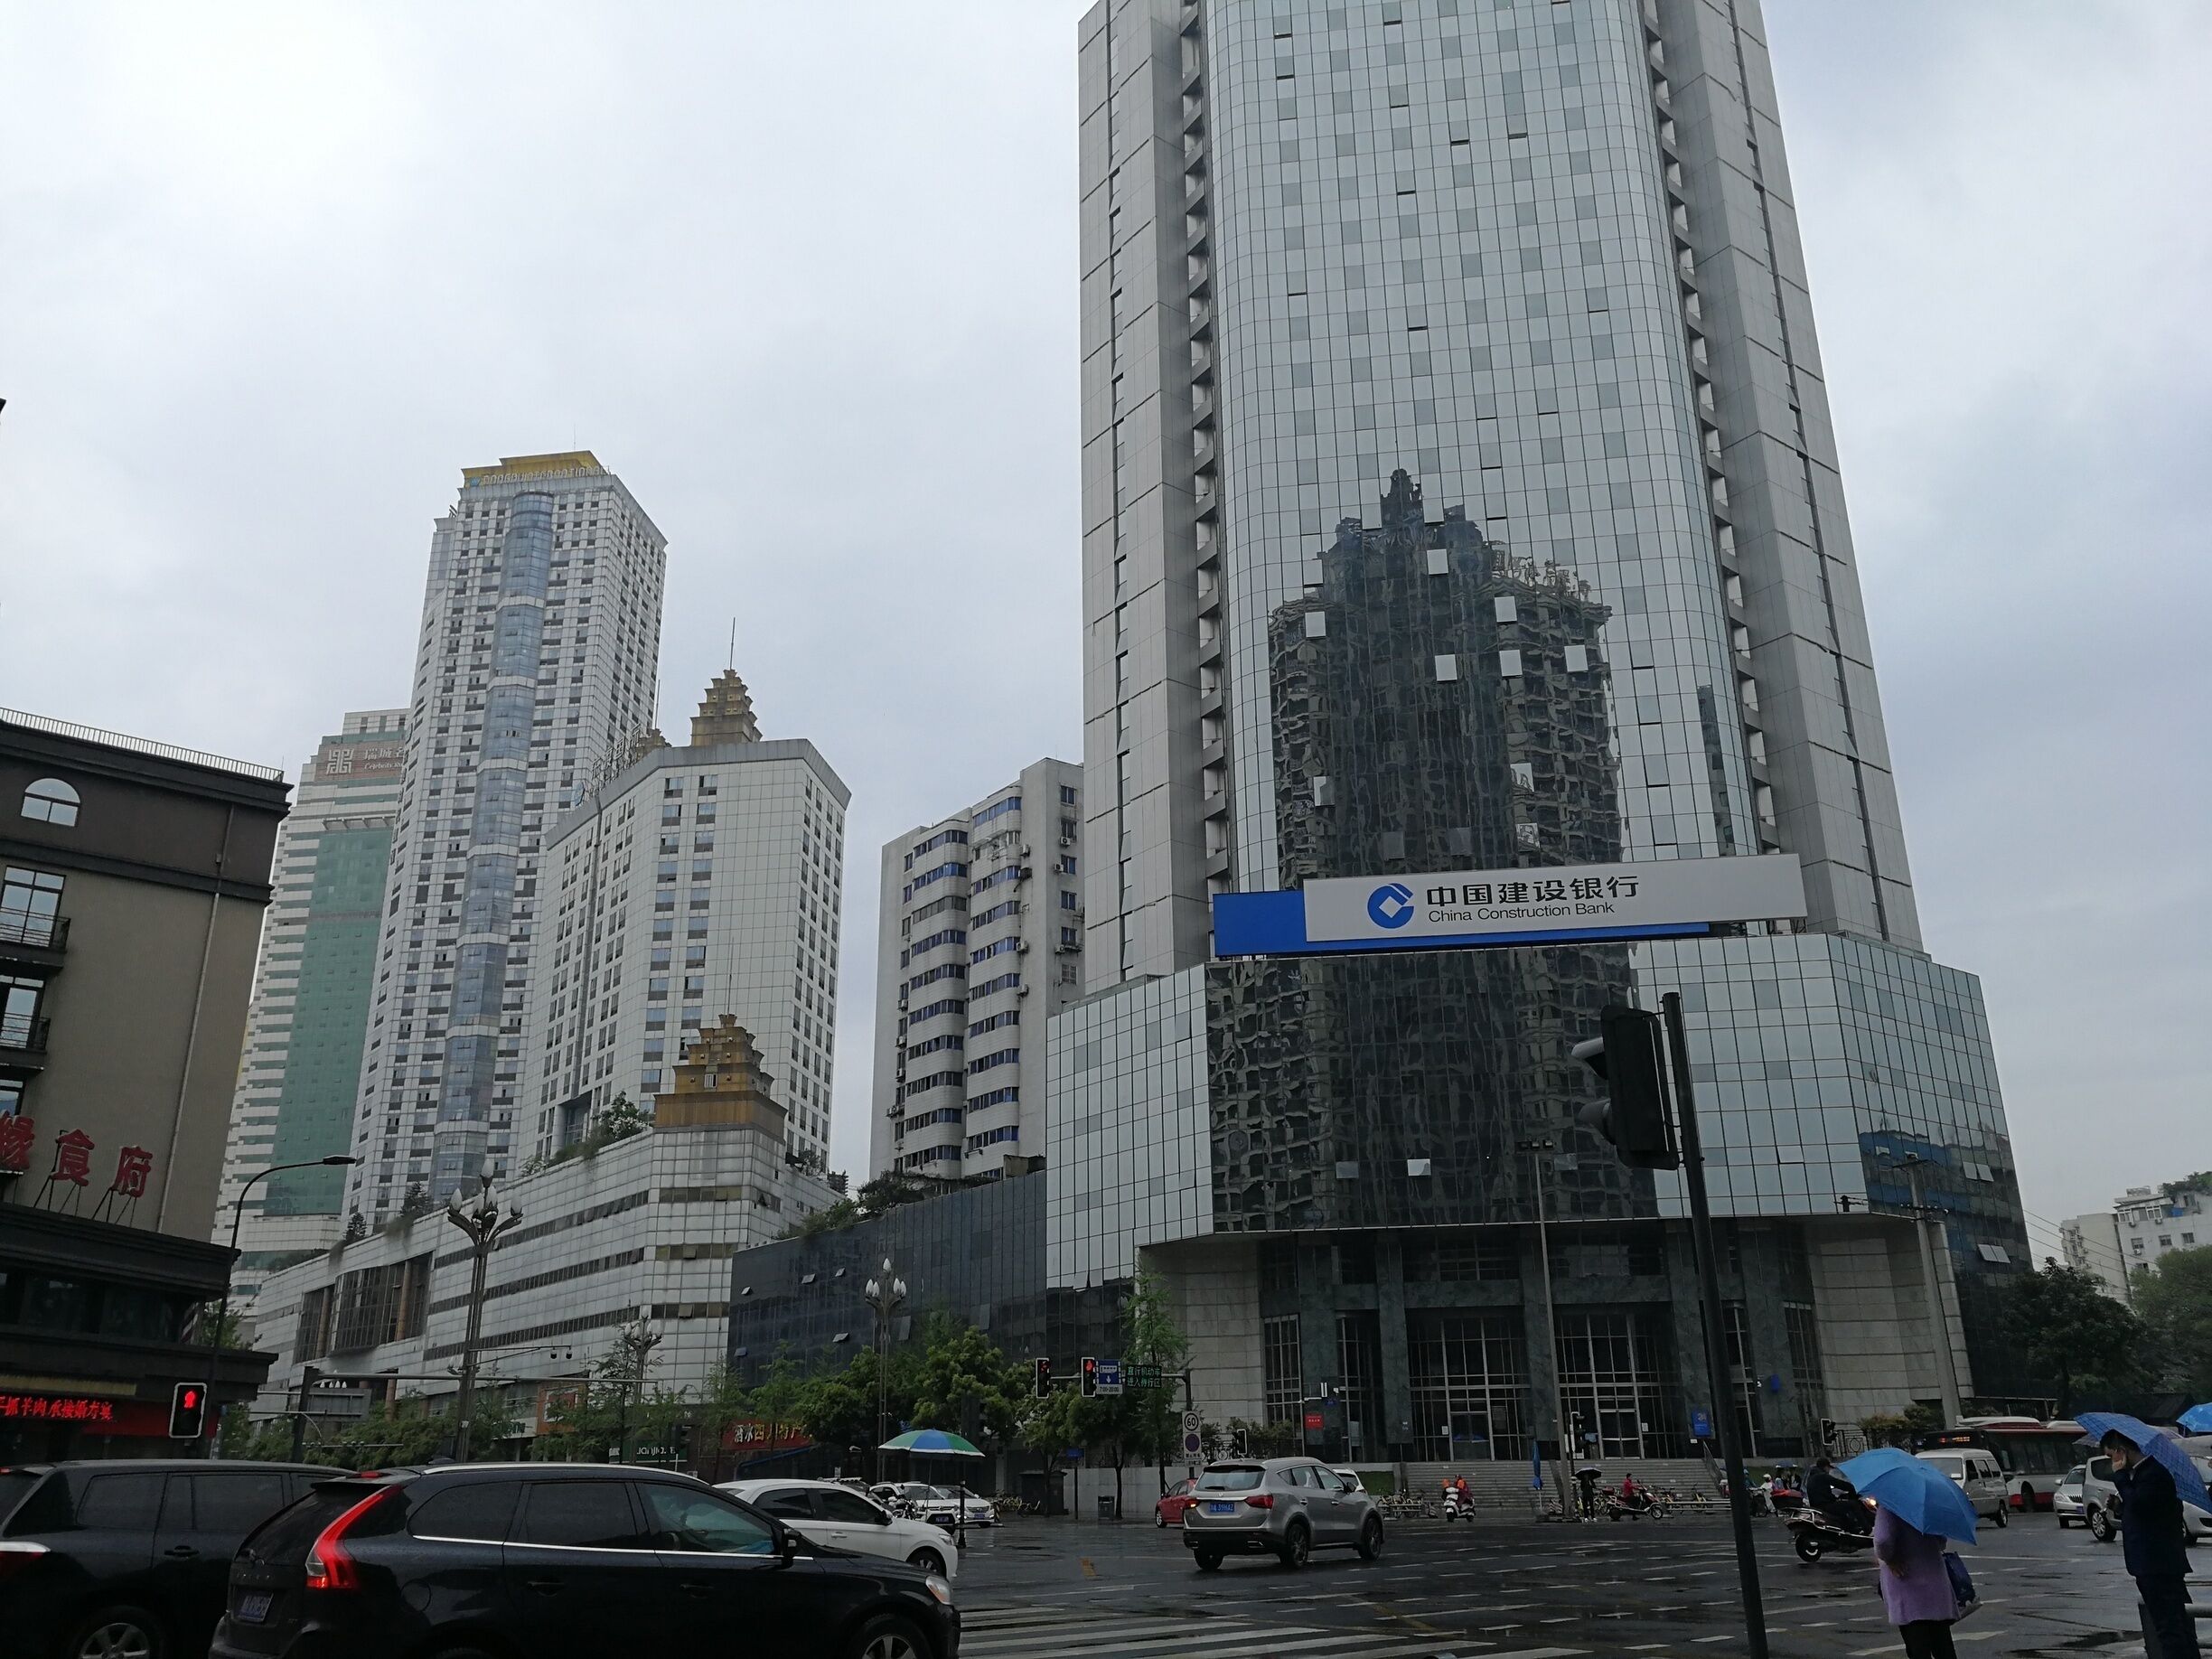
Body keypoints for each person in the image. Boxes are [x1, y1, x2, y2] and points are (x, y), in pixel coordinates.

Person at [2102, 1429, 2199, 1659]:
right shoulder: (2145, 1474)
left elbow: (2142, 1506)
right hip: (2157, 1562)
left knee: (2170, 1628)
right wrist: (2120, 1507)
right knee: (2175, 1625)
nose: (2111, 1463)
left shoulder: (2152, 1473)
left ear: (2121, 1452)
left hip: (2156, 1563)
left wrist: (2120, 1478)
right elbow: (2146, 1512)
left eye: (2110, 1457)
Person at [1870, 1502, 1960, 1659]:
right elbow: (1941, 1541)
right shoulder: (1925, 1506)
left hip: (1907, 1587)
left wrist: (1889, 1559)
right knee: (1943, 1647)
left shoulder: (1890, 1507)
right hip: (1935, 1587)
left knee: (1918, 1648)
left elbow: (1882, 1541)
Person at [1806, 1455, 1869, 1533]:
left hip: (1817, 1506)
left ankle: (1850, 1529)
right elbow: (1839, 1483)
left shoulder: (1811, 1477)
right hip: (1825, 1506)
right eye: (1828, 1468)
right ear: (1825, 1467)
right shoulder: (1822, 1476)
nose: (1829, 1471)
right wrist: (1853, 1487)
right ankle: (1868, 1530)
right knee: (1854, 1505)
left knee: (1842, 1510)